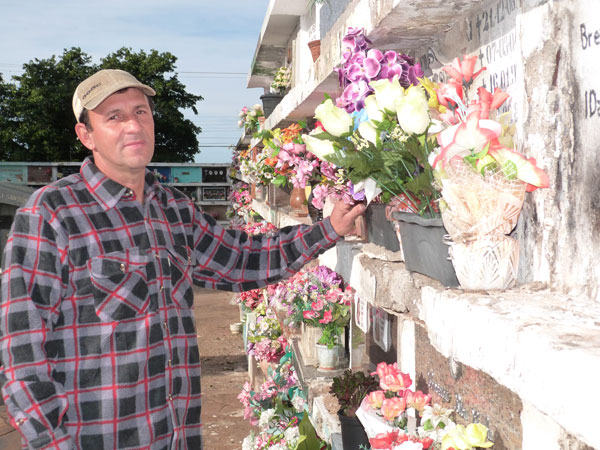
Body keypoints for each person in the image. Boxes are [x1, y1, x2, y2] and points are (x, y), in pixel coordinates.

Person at [0, 69, 365, 450]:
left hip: (175, 436)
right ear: (86, 135)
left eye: (141, 112)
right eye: (114, 116)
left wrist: (329, 228)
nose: (133, 125)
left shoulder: (172, 208)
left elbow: (242, 258)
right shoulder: (52, 214)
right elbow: (20, 351)